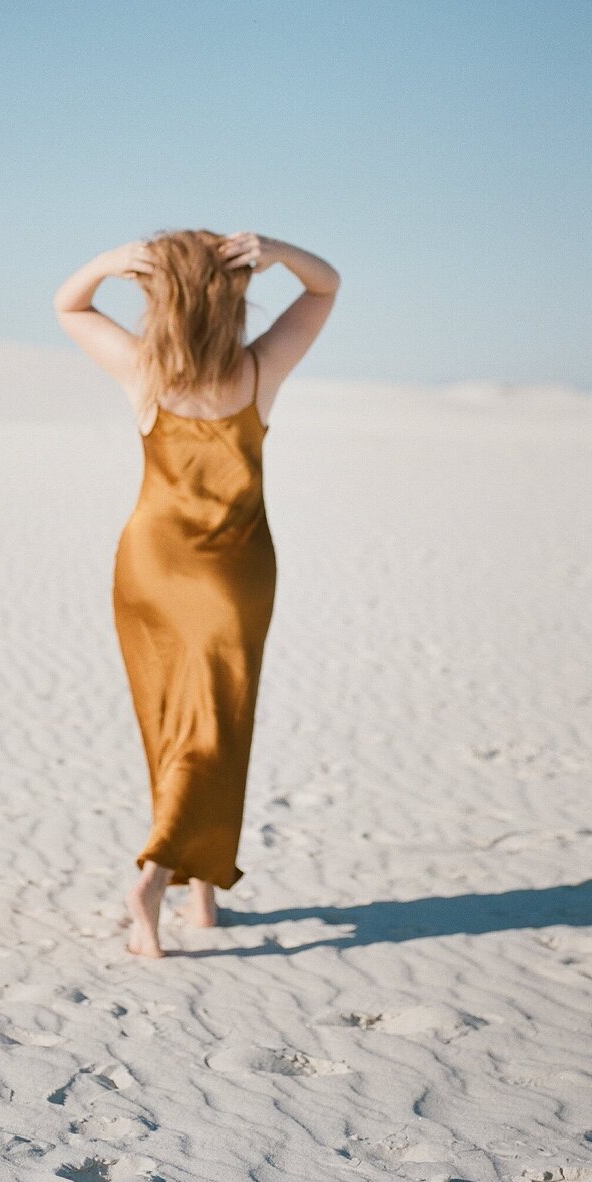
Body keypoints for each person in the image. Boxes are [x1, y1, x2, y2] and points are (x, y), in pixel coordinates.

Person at [53, 230, 340, 957]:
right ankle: (155, 876)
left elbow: (70, 305)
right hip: (233, 573)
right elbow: (325, 287)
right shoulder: (258, 370)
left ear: (161, 294)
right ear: (232, 290)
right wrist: (278, 249)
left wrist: (110, 261)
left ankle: (200, 888)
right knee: (218, 725)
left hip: (151, 565)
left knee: (173, 723)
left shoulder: (146, 371)